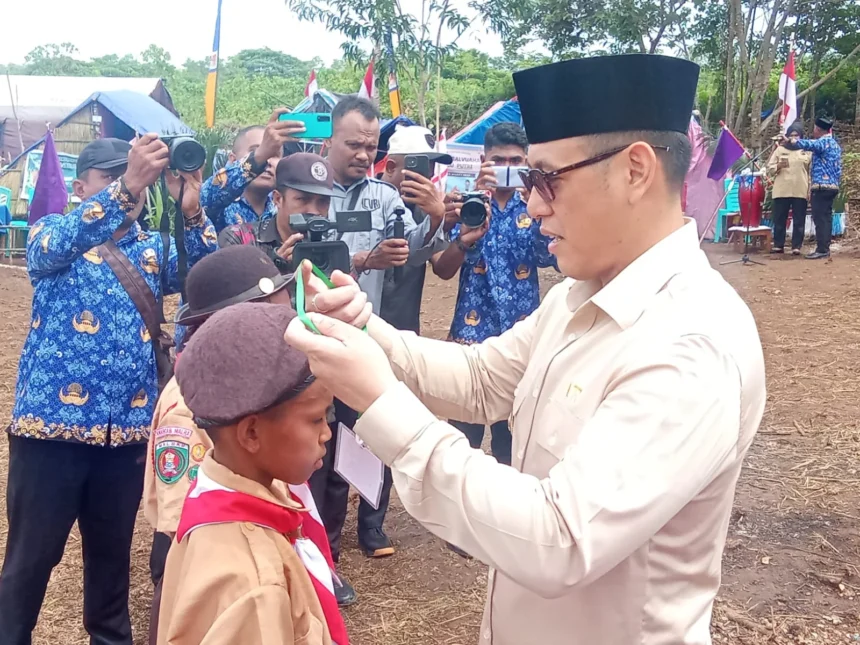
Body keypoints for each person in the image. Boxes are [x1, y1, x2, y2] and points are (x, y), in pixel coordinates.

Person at [286, 53, 766, 645]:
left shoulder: (692, 342)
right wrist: (363, 327)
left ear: (635, 171)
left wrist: (382, 400)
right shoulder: (580, 294)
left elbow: (558, 539)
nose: (534, 204)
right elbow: (482, 377)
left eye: (546, 179)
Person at [1, 135, 217, 645]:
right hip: (50, 433)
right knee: (30, 560)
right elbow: (57, 243)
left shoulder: (154, 248)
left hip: (126, 438)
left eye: (137, 174)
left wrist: (191, 212)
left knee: (111, 563)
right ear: (80, 188)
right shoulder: (53, 233)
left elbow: (204, 276)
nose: (131, 185)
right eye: (114, 175)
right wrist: (128, 187)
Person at [157, 302, 347, 645]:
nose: (326, 433)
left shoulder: (213, 497)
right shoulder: (256, 587)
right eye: (316, 419)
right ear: (252, 434)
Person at [309, 97, 445, 571]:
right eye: (353, 145)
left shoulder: (385, 197)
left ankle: (366, 527)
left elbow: (414, 251)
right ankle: (322, 542)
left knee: (370, 430)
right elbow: (307, 258)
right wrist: (364, 260)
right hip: (317, 334)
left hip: (364, 338)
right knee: (321, 440)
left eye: (370, 146)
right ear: (330, 141)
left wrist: (435, 219)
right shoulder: (311, 190)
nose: (364, 154)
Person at [144, 245, 296, 625]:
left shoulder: (248, 386)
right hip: (212, 571)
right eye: (278, 319)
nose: (290, 329)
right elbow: (186, 521)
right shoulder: (189, 406)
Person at [432, 122, 556, 467]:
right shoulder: (466, 202)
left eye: (515, 162)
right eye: (498, 161)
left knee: (512, 445)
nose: (507, 168)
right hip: (471, 340)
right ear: (484, 161)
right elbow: (443, 270)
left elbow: (552, 258)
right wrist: (464, 233)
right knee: (461, 444)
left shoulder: (536, 207)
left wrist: (539, 202)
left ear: (526, 163)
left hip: (521, 343)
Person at [378, 125, 452, 333]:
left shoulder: (424, 210)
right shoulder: (367, 199)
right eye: (418, 166)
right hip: (362, 327)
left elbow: (442, 267)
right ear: (391, 167)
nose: (427, 175)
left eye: (431, 167)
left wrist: (447, 224)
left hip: (405, 332)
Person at [218, 152, 335, 275]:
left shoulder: (333, 249)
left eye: (323, 202)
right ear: (278, 199)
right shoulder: (240, 239)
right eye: (303, 199)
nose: (314, 211)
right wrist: (276, 267)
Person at [200, 109, 306, 232]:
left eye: (274, 154)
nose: (267, 160)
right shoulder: (219, 203)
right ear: (233, 160)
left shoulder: (283, 206)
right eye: (255, 151)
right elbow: (204, 197)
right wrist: (258, 156)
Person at [784, 116, 842, 259]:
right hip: (832, 186)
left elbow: (809, 144)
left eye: (815, 129)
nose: (813, 131)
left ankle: (822, 249)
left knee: (820, 218)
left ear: (818, 129)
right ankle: (824, 248)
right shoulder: (835, 144)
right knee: (825, 218)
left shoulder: (823, 142)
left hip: (822, 187)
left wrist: (792, 141)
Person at [767, 123, 811, 255]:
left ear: (801, 136)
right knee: (780, 218)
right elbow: (770, 168)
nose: (793, 138)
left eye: (796, 135)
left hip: (800, 188)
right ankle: (778, 245)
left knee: (799, 219)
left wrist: (810, 189)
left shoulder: (806, 150)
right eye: (791, 135)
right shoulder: (780, 150)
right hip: (782, 189)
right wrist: (778, 166)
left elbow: (811, 171)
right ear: (787, 136)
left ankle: (796, 246)